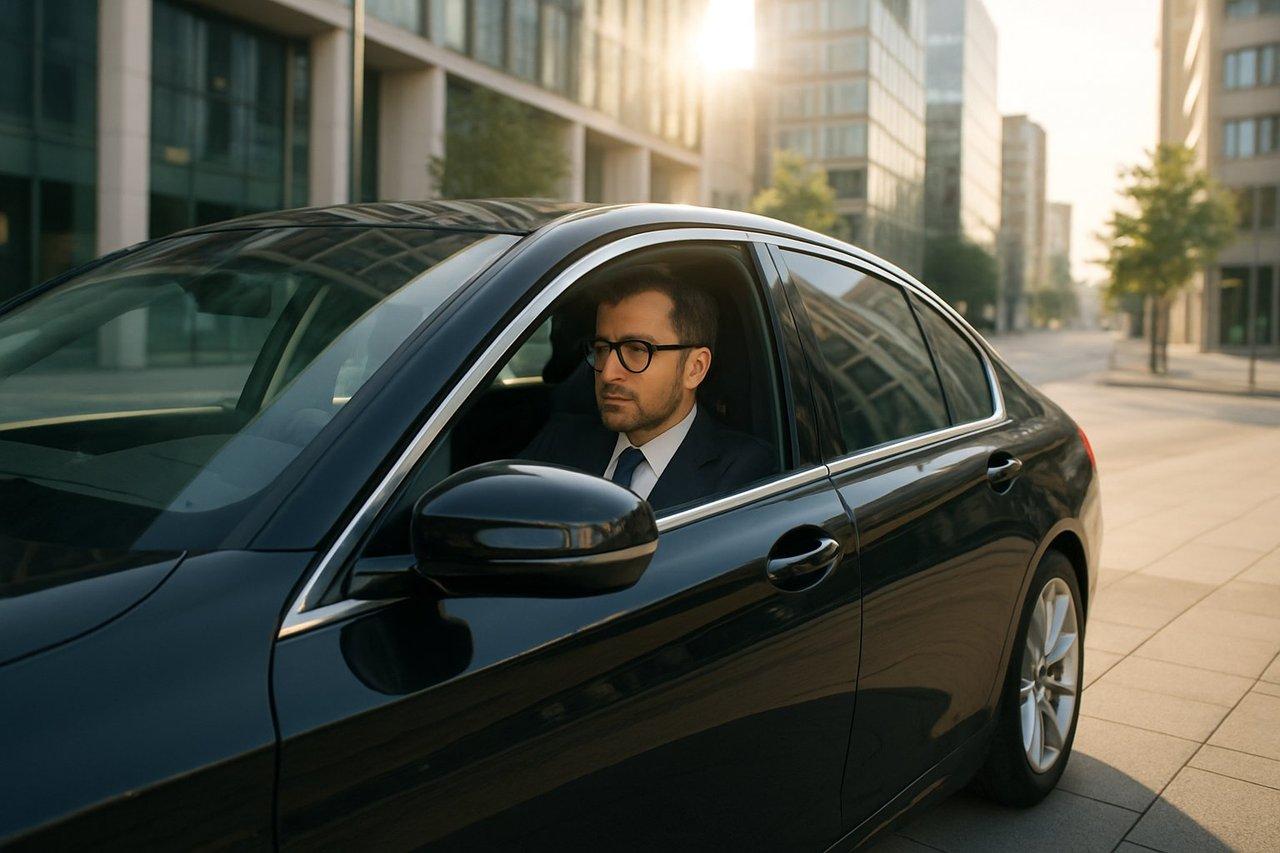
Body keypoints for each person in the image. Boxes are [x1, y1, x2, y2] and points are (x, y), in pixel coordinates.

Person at [521, 265, 775, 511]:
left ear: (695, 368)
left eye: (637, 350)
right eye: (601, 349)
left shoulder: (742, 472)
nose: (608, 374)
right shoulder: (561, 441)